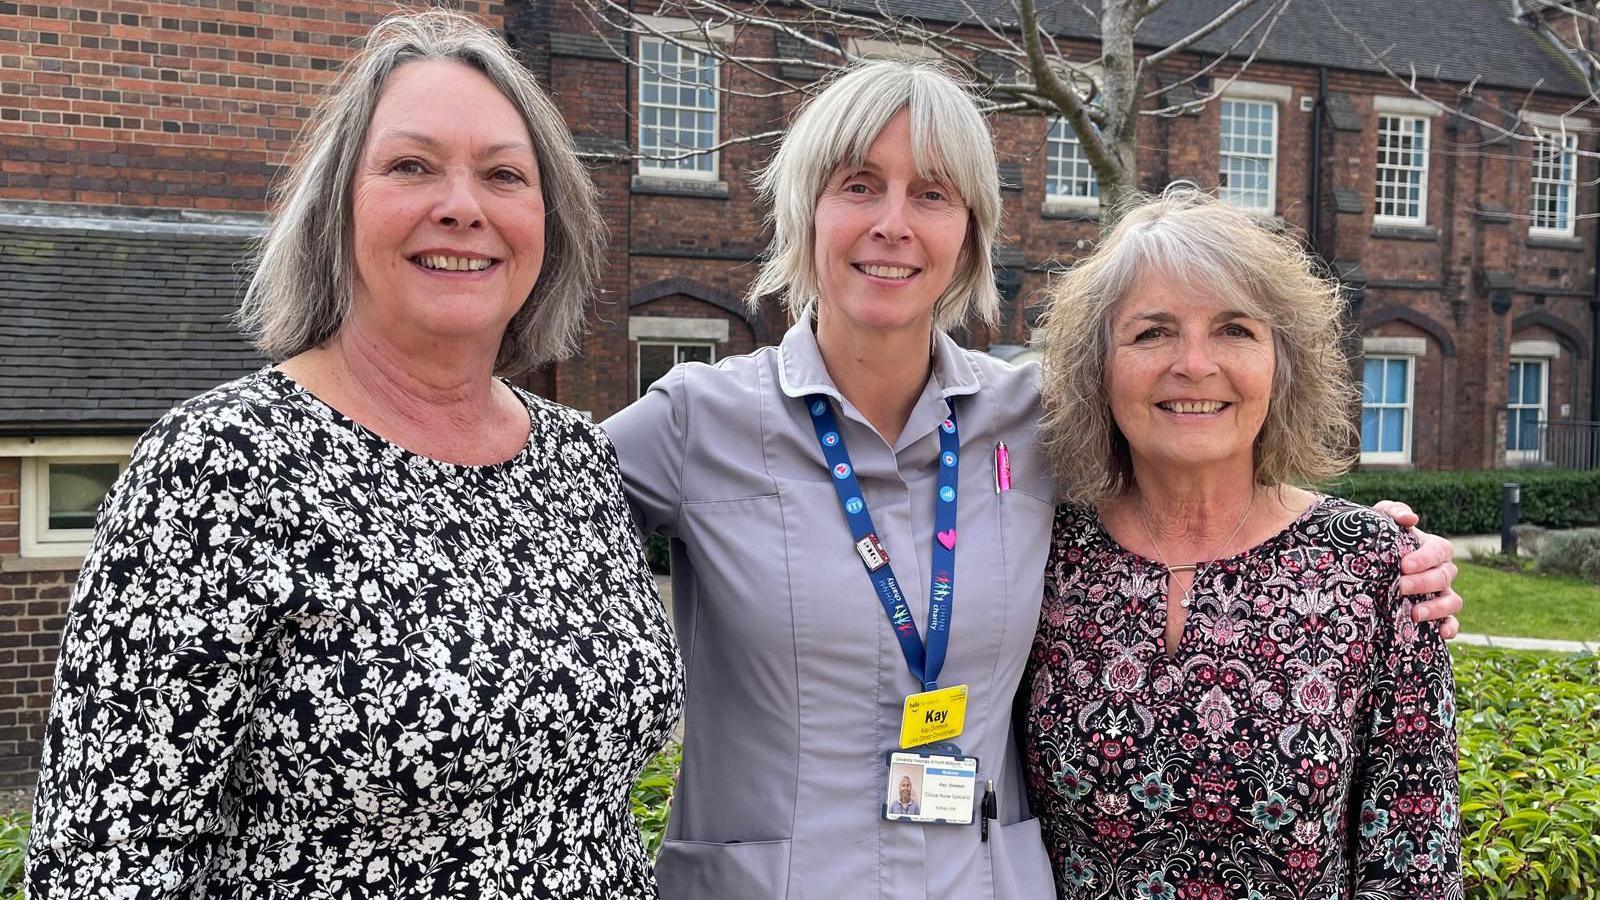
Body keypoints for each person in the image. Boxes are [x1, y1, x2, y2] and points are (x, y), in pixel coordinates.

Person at [601, 60, 1460, 900]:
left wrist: (1371, 552)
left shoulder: (1032, 419)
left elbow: (1194, 460)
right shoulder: (695, 423)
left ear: (970, 231)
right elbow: (516, 499)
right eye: (858, 185)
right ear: (804, 212)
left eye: (933, 194)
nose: (893, 223)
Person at [25, 11, 683, 898]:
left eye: (503, 175)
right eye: (411, 166)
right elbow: (101, 868)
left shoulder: (575, 458)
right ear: (338, 206)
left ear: (548, 222)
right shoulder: (218, 470)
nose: (463, 205)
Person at [1023, 192, 1461, 898]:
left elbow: (1415, 863)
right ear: (1096, 370)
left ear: (1282, 365)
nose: (1194, 364)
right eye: (1152, 333)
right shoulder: (1040, 553)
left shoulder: (1376, 568)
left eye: (1234, 330)